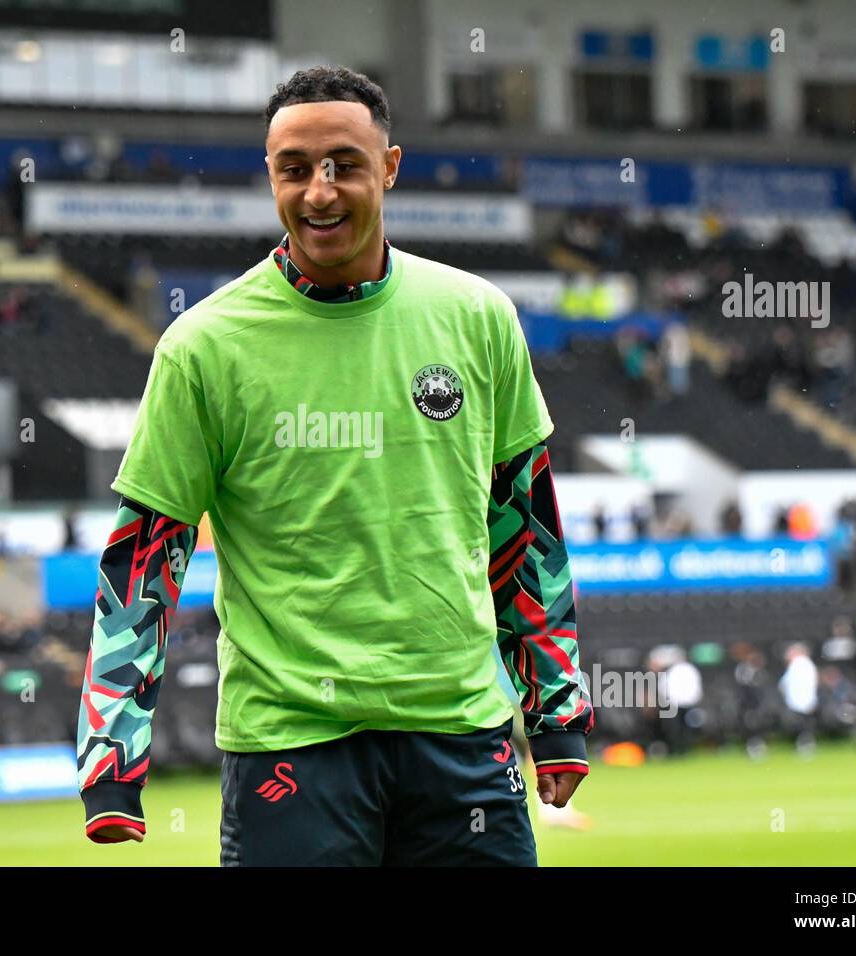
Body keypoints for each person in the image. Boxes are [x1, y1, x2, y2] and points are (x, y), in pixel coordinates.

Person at [76, 66, 592, 866]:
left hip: (461, 738)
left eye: (344, 165)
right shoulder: (204, 347)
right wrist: (112, 761)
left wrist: (556, 712)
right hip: (291, 747)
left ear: (389, 166)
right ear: (271, 176)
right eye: (294, 169)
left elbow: (524, 525)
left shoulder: (476, 317)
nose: (319, 192)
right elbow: (145, 558)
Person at [778, 643, 819, 755]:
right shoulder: (808, 665)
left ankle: (805, 744)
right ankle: (806, 743)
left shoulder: (797, 665)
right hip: (807, 700)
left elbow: (784, 684)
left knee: (803, 725)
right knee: (805, 725)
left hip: (798, 700)